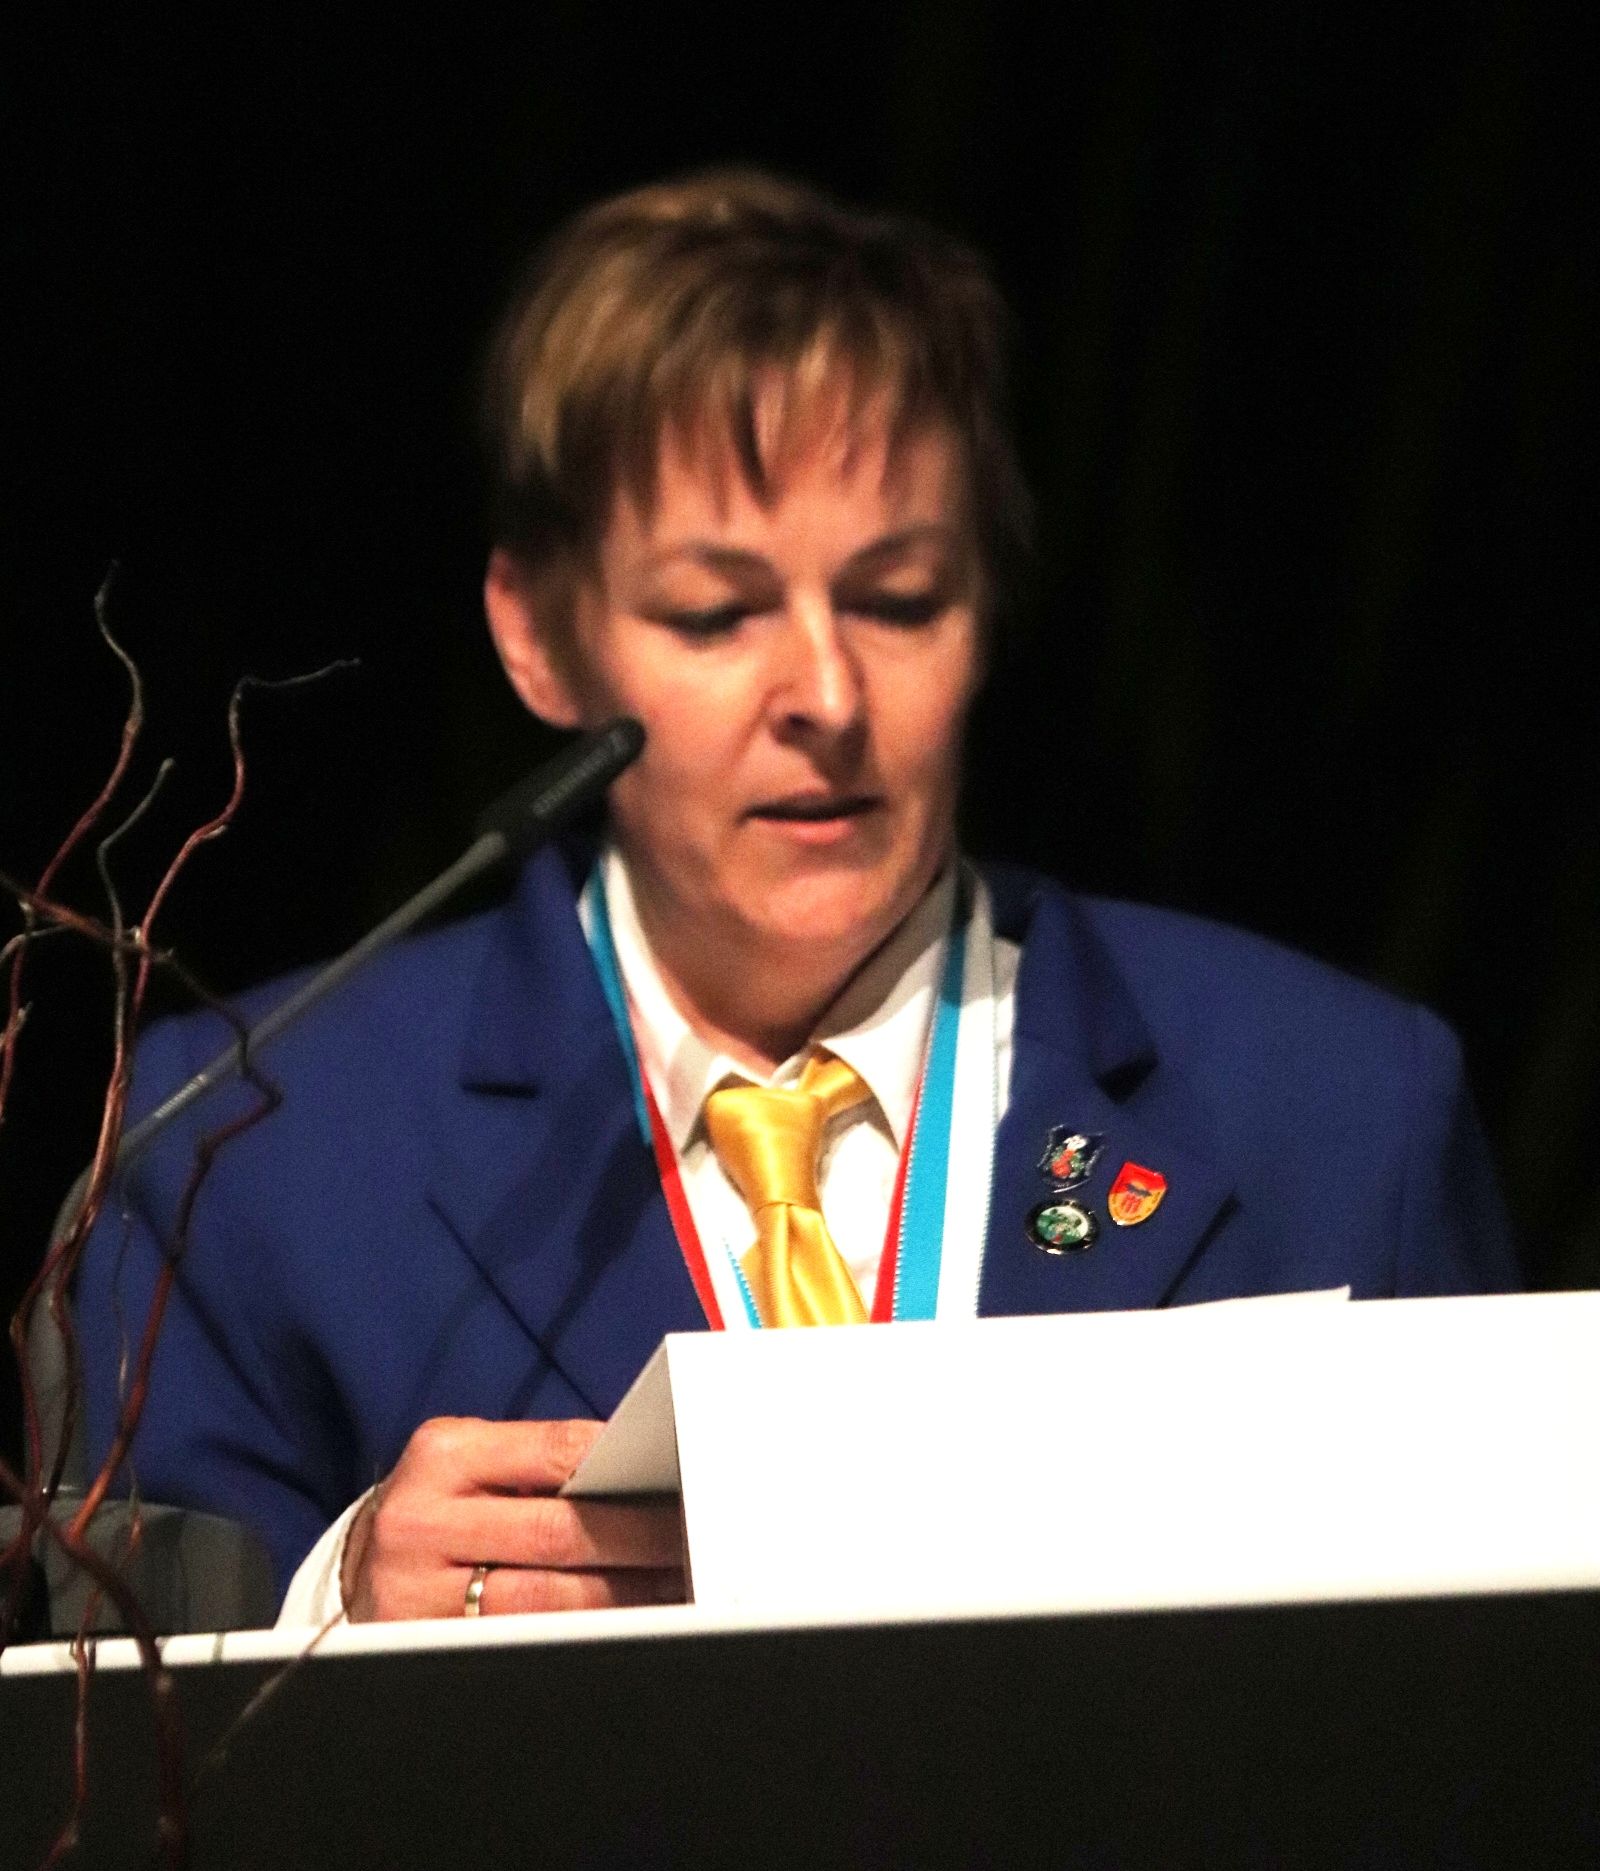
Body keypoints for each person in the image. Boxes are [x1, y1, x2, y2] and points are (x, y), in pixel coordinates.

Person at [75, 168, 1520, 1627]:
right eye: (715, 614)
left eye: (899, 599)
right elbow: (107, 1721)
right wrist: (332, 1612)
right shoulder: (238, 1149)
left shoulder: (1345, 1111)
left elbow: (1498, 1708)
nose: (827, 695)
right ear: (539, 638)